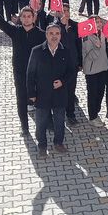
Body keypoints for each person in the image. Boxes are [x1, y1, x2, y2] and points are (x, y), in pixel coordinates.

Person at [0, 0, 45, 136]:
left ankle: (44, 125)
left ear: (33, 18)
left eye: (29, 16)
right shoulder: (15, 31)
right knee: (21, 100)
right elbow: (1, 24)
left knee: (39, 99)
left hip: (36, 73)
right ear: (20, 18)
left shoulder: (41, 34)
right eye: (24, 16)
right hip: (20, 72)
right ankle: (24, 127)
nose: (26, 19)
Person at [26, 23, 77, 158]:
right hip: (42, 94)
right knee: (41, 121)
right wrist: (31, 94)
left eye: (57, 34)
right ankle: (42, 145)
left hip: (60, 94)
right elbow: (30, 74)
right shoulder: (36, 51)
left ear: (61, 35)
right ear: (46, 35)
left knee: (59, 121)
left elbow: (72, 70)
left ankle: (58, 143)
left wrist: (63, 81)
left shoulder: (65, 51)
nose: (54, 36)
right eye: (51, 33)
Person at [53, 4, 82, 124]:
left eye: (67, 11)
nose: (65, 13)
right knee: (59, 91)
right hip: (59, 65)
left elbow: (79, 45)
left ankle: (71, 114)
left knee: (71, 90)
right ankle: (58, 116)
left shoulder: (75, 25)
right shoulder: (54, 27)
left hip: (72, 64)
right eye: (63, 11)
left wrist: (80, 61)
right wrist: (61, 25)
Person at [82, 16, 108, 125]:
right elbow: (91, 55)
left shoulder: (101, 34)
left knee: (101, 92)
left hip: (102, 68)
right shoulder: (86, 37)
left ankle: (96, 113)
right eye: (95, 22)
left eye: (99, 22)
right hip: (92, 70)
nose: (98, 24)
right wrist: (97, 47)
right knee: (93, 94)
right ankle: (92, 117)